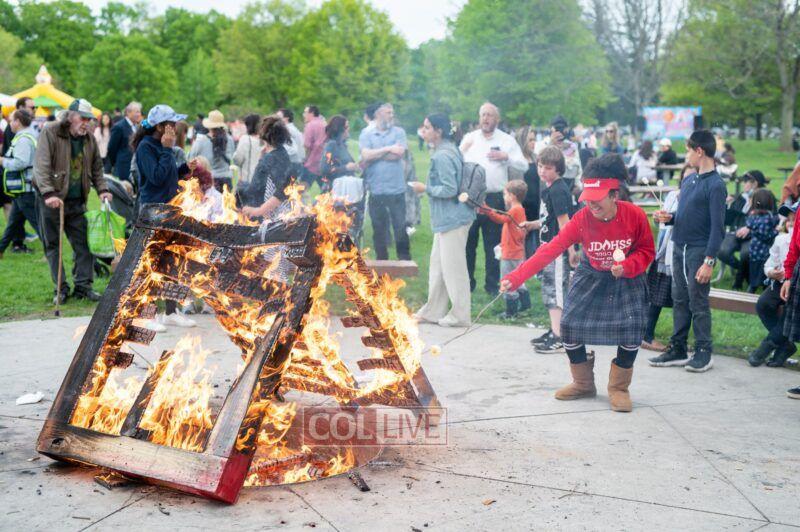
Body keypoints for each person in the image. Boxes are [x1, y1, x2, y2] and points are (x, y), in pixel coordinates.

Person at [501, 166, 655, 413]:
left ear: (614, 196)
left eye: (597, 199)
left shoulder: (634, 215)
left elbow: (647, 251)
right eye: (588, 199)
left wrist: (627, 266)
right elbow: (551, 249)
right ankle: (583, 384)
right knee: (569, 326)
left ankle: (619, 388)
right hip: (591, 274)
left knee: (631, 329)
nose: (591, 204)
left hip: (627, 277)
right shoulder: (582, 219)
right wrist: (516, 277)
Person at [650, 130, 727, 372]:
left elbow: (718, 228)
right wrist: (669, 217)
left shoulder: (716, 185)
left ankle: (704, 351)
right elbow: (685, 215)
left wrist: (709, 261)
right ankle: (678, 348)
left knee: (698, 301)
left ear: (699, 151)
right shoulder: (689, 180)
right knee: (680, 299)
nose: (687, 156)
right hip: (679, 247)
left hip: (699, 251)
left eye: (688, 151)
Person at [33, 98, 112, 304]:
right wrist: (48, 193)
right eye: (82, 118)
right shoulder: (51, 131)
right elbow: (41, 165)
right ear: (70, 116)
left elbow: (97, 168)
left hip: (77, 201)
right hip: (52, 200)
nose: (86, 123)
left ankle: (83, 287)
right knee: (54, 245)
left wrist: (103, 189)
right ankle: (61, 288)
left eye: (89, 119)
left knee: (84, 245)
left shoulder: (89, 139)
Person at [131, 104, 196, 329]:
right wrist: (168, 150)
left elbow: (168, 176)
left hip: (170, 208)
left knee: (171, 261)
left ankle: (170, 311)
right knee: (150, 263)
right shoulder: (145, 147)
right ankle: (146, 314)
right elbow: (156, 178)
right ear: (160, 127)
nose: (175, 127)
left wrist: (184, 169)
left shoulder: (162, 146)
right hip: (153, 211)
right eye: (171, 123)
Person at [411, 113, 474, 327]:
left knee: (454, 269)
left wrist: (425, 188)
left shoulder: (443, 156)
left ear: (438, 131)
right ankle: (432, 311)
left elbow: (450, 189)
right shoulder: (447, 149)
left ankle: (460, 316)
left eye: (427, 127)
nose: (424, 130)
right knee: (438, 267)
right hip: (447, 219)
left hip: (453, 219)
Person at [460, 102, 527, 294]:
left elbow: (523, 165)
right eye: (483, 115)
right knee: (468, 243)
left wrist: (506, 157)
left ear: (497, 119)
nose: (486, 118)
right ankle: (467, 284)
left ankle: (492, 286)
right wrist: (462, 150)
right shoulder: (470, 138)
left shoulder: (506, 140)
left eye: (490, 115)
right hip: (471, 198)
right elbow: (456, 161)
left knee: (494, 244)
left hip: (496, 198)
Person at [527, 146, 577, 354]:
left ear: (558, 169)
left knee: (556, 292)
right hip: (548, 248)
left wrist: (571, 251)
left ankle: (560, 337)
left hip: (558, 251)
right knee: (549, 290)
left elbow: (565, 224)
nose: (542, 171)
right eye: (540, 166)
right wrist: (533, 224)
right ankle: (554, 329)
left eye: (548, 168)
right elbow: (550, 219)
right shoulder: (549, 188)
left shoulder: (558, 190)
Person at [642, 164, 693, 351]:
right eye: (685, 177)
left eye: (692, 177)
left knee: (684, 300)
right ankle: (647, 335)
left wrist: (671, 217)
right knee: (656, 295)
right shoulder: (673, 195)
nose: (688, 181)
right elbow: (663, 222)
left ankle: (679, 341)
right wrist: (659, 217)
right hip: (665, 252)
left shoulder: (698, 199)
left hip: (685, 253)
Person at [359, 103, 411, 261]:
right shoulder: (367, 133)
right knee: (379, 228)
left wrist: (374, 155)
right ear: (378, 115)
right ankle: (382, 260)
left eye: (392, 112)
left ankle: (404, 260)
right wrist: (388, 149)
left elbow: (398, 154)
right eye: (388, 112)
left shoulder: (399, 132)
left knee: (400, 226)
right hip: (376, 188)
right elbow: (365, 156)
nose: (391, 115)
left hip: (396, 188)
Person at [749, 200, 797, 367]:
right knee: (763, 304)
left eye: (795, 220)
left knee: (789, 313)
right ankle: (786, 345)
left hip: (796, 286)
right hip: (780, 282)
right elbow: (769, 264)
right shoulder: (781, 240)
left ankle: (767, 346)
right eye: (789, 220)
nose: (791, 224)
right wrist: (771, 272)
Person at [479, 180, 531, 319]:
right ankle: (525, 305)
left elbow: (500, 219)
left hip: (510, 253)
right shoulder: (519, 209)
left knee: (507, 280)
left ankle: (511, 312)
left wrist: (486, 210)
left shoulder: (514, 210)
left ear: (512, 196)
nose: (504, 197)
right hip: (517, 252)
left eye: (505, 194)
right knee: (519, 279)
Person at [718, 171, 770, 290]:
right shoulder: (740, 197)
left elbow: (769, 218)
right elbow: (728, 219)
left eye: (746, 181)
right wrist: (726, 205)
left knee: (746, 253)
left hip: (754, 235)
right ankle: (744, 271)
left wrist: (750, 228)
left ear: (755, 183)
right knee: (721, 251)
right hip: (735, 232)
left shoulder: (765, 197)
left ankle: (746, 275)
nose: (743, 184)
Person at [0, 109, 40, 258]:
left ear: (18, 122)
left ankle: (52, 254)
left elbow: (20, 163)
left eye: (11, 120)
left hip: (26, 189)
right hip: (22, 190)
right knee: (13, 223)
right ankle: (1, 249)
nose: (10, 123)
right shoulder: (26, 136)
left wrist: (3, 161)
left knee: (39, 225)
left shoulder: (23, 140)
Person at [240, 115, 294, 219]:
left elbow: (284, 190)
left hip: (273, 219)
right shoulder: (278, 153)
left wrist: (258, 211)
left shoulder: (273, 158)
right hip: (264, 216)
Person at [189, 110, 235, 193]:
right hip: (227, 180)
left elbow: (190, 158)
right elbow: (231, 155)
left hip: (209, 181)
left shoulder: (201, 141)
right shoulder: (230, 139)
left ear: (209, 126)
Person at [513, 126, 540, 257]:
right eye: (530, 140)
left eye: (534, 139)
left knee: (536, 246)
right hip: (522, 207)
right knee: (522, 246)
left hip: (536, 207)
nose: (533, 143)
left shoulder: (537, 159)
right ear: (522, 141)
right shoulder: (516, 161)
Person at [745, 189, 779, 293]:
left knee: (754, 276)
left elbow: (751, 228)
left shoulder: (753, 215)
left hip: (754, 251)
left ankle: (751, 291)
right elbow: (765, 236)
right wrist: (776, 231)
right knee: (761, 278)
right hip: (763, 253)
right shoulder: (767, 218)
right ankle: (757, 293)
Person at [107, 101, 142, 183]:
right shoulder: (119, 127)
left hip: (135, 169)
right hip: (122, 169)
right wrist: (116, 163)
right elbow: (111, 148)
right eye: (137, 112)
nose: (139, 114)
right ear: (128, 112)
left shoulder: (137, 127)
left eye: (139, 112)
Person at [320, 115, 359, 186]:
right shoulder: (332, 145)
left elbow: (350, 164)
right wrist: (346, 168)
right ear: (340, 129)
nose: (349, 129)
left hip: (346, 187)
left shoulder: (342, 145)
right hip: (336, 188)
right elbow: (324, 169)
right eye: (347, 127)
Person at [233, 114, 263, 186]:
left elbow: (238, 159)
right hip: (260, 180)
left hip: (247, 179)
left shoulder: (245, 139)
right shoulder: (264, 140)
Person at [302, 105, 327, 191]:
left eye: (305, 112)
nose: (303, 115)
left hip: (311, 164)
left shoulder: (310, 125)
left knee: (299, 191)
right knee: (326, 192)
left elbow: (307, 146)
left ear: (312, 113)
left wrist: (304, 159)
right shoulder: (324, 124)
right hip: (323, 163)